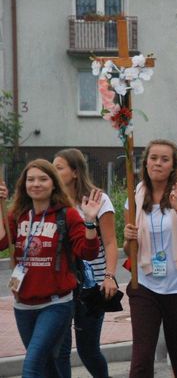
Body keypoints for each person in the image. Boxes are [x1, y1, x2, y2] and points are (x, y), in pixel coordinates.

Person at [0, 160, 100, 378]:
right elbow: (0, 242)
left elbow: (88, 252)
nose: (36, 184)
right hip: (23, 304)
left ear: (54, 184)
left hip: (56, 304)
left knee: (32, 366)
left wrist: (90, 222)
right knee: (46, 366)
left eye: (43, 179)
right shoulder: (17, 215)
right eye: (31, 179)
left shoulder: (67, 215)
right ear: (23, 184)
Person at [123, 139, 177, 378]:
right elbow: (128, 248)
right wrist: (127, 237)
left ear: (173, 166)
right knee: (141, 358)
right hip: (144, 284)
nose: (158, 164)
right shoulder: (135, 194)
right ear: (146, 162)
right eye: (153, 158)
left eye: (164, 159)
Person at [53, 149, 118, 378]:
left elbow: (110, 242)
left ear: (75, 172)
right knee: (59, 350)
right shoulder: (53, 202)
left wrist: (109, 276)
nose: (53, 171)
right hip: (60, 285)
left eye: (59, 167)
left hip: (92, 285)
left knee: (87, 349)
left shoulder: (97, 199)